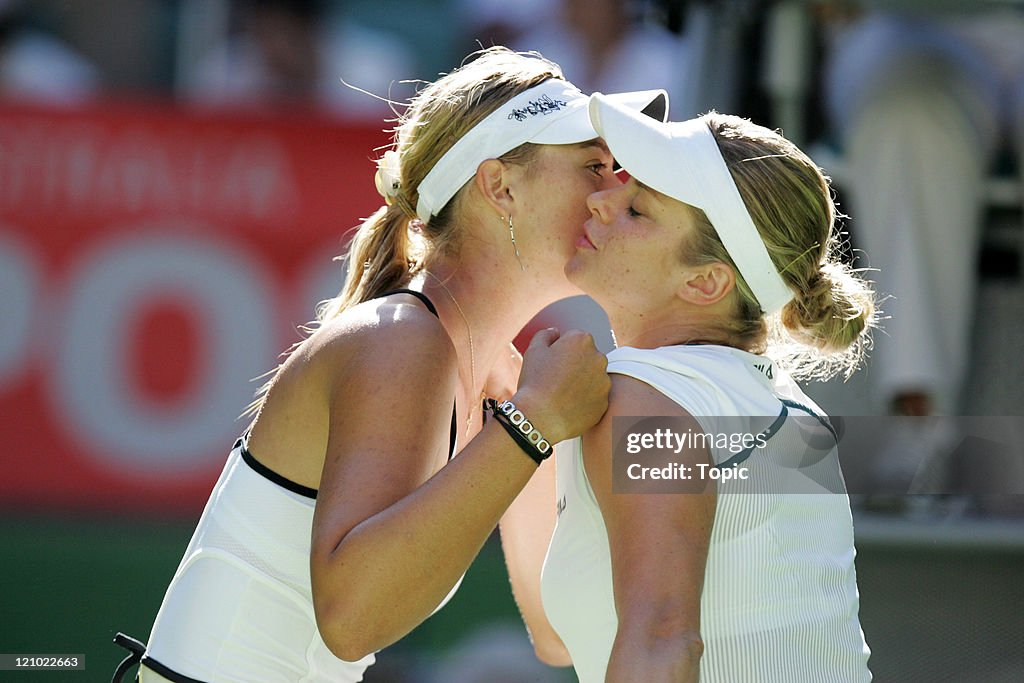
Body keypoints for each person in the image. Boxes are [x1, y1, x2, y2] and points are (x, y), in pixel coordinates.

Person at [111, 47, 668, 682]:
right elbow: (352, 621)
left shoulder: (501, 381)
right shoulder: (402, 341)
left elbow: (555, 631)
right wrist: (533, 425)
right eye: (595, 165)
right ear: (500, 187)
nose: (616, 191)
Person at [531, 96, 876, 681]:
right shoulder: (785, 402)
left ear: (707, 282)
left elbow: (665, 646)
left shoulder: (641, 398)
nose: (601, 197)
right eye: (623, 181)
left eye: (638, 209)